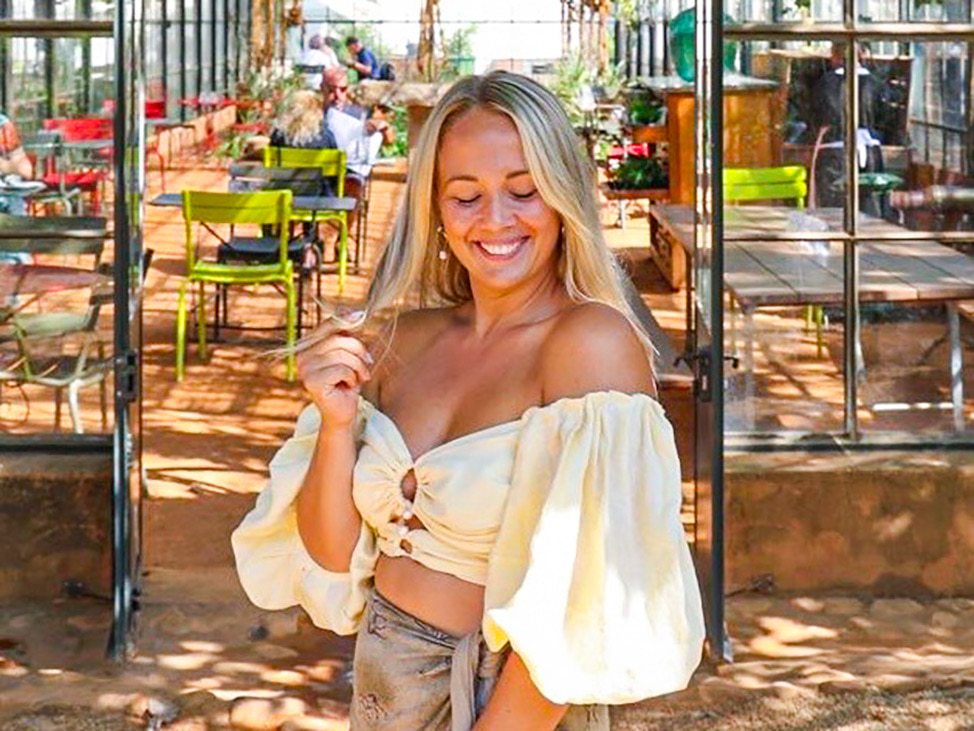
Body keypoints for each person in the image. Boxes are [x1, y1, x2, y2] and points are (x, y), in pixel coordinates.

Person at [232, 71, 705, 729]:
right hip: (382, 686)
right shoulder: (403, 338)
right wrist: (337, 425)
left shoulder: (589, 344)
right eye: (466, 196)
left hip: (505, 703)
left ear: (562, 195)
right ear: (435, 206)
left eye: (523, 190)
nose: (496, 220)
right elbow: (333, 553)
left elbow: (581, 601)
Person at [0, 112, 34, 216]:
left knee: (14, 203)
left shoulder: (3, 124)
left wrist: (5, 166)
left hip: (7, 196)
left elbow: (26, 170)